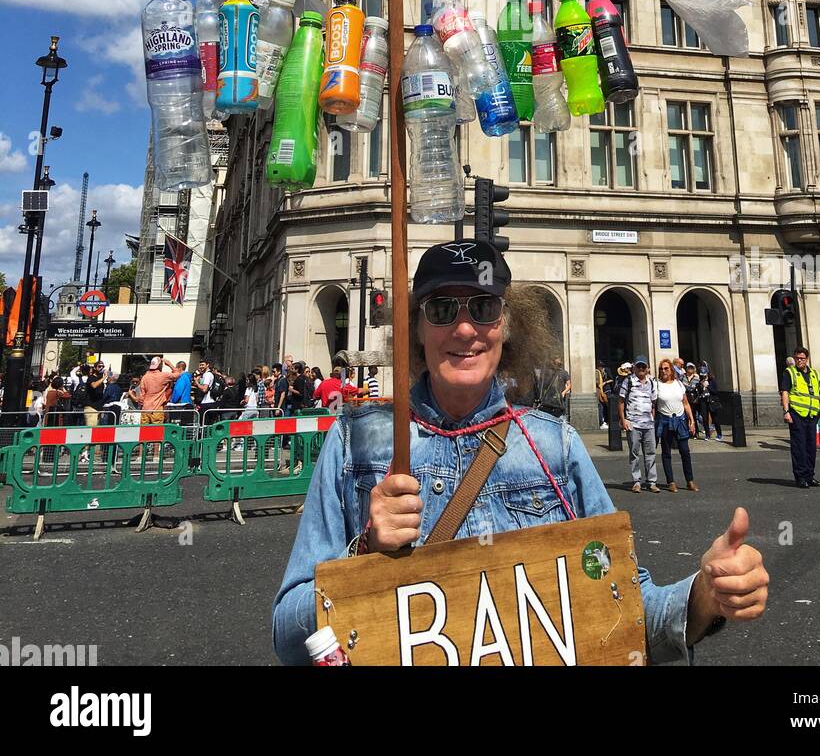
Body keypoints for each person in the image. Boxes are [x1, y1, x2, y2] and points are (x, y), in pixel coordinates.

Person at [272, 239, 769, 665]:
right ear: (415, 329)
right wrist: (364, 555)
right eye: (442, 309)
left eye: (484, 308)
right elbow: (289, 633)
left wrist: (704, 596)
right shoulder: (354, 441)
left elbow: (627, 610)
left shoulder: (556, 446)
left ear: (507, 326)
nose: (465, 329)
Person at [781, 346, 820, 488]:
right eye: (797, 358)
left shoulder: (814, 374)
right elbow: (785, 392)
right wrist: (786, 411)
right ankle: (801, 477)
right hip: (796, 414)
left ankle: (810, 476)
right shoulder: (790, 373)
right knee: (799, 447)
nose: (799, 361)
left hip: (812, 415)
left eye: (802, 359)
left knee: (811, 447)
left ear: (807, 359)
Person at [619, 356, 660, 493]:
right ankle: (636, 481)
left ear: (647, 368)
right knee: (634, 453)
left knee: (651, 453)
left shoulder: (652, 382)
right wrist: (623, 419)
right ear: (634, 368)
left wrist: (652, 418)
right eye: (639, 366)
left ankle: (652, 482)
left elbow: (653, 402)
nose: (641, 369)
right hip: (633, 423)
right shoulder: (628, 381)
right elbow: (621, 401)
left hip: (648, 424)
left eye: (644, 366)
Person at [656, 357, 697, 491]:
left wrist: (691, 420)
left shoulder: (678, 384)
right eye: (661, 369)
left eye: (666, 368)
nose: (664, 371)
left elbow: (685, 403)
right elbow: (652, 405)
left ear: (672, 370)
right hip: (665, 420)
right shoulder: (657, 385)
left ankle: (689, 481)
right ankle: (671, 482)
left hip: (680, 420)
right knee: (666, 452)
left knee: (685, 451)